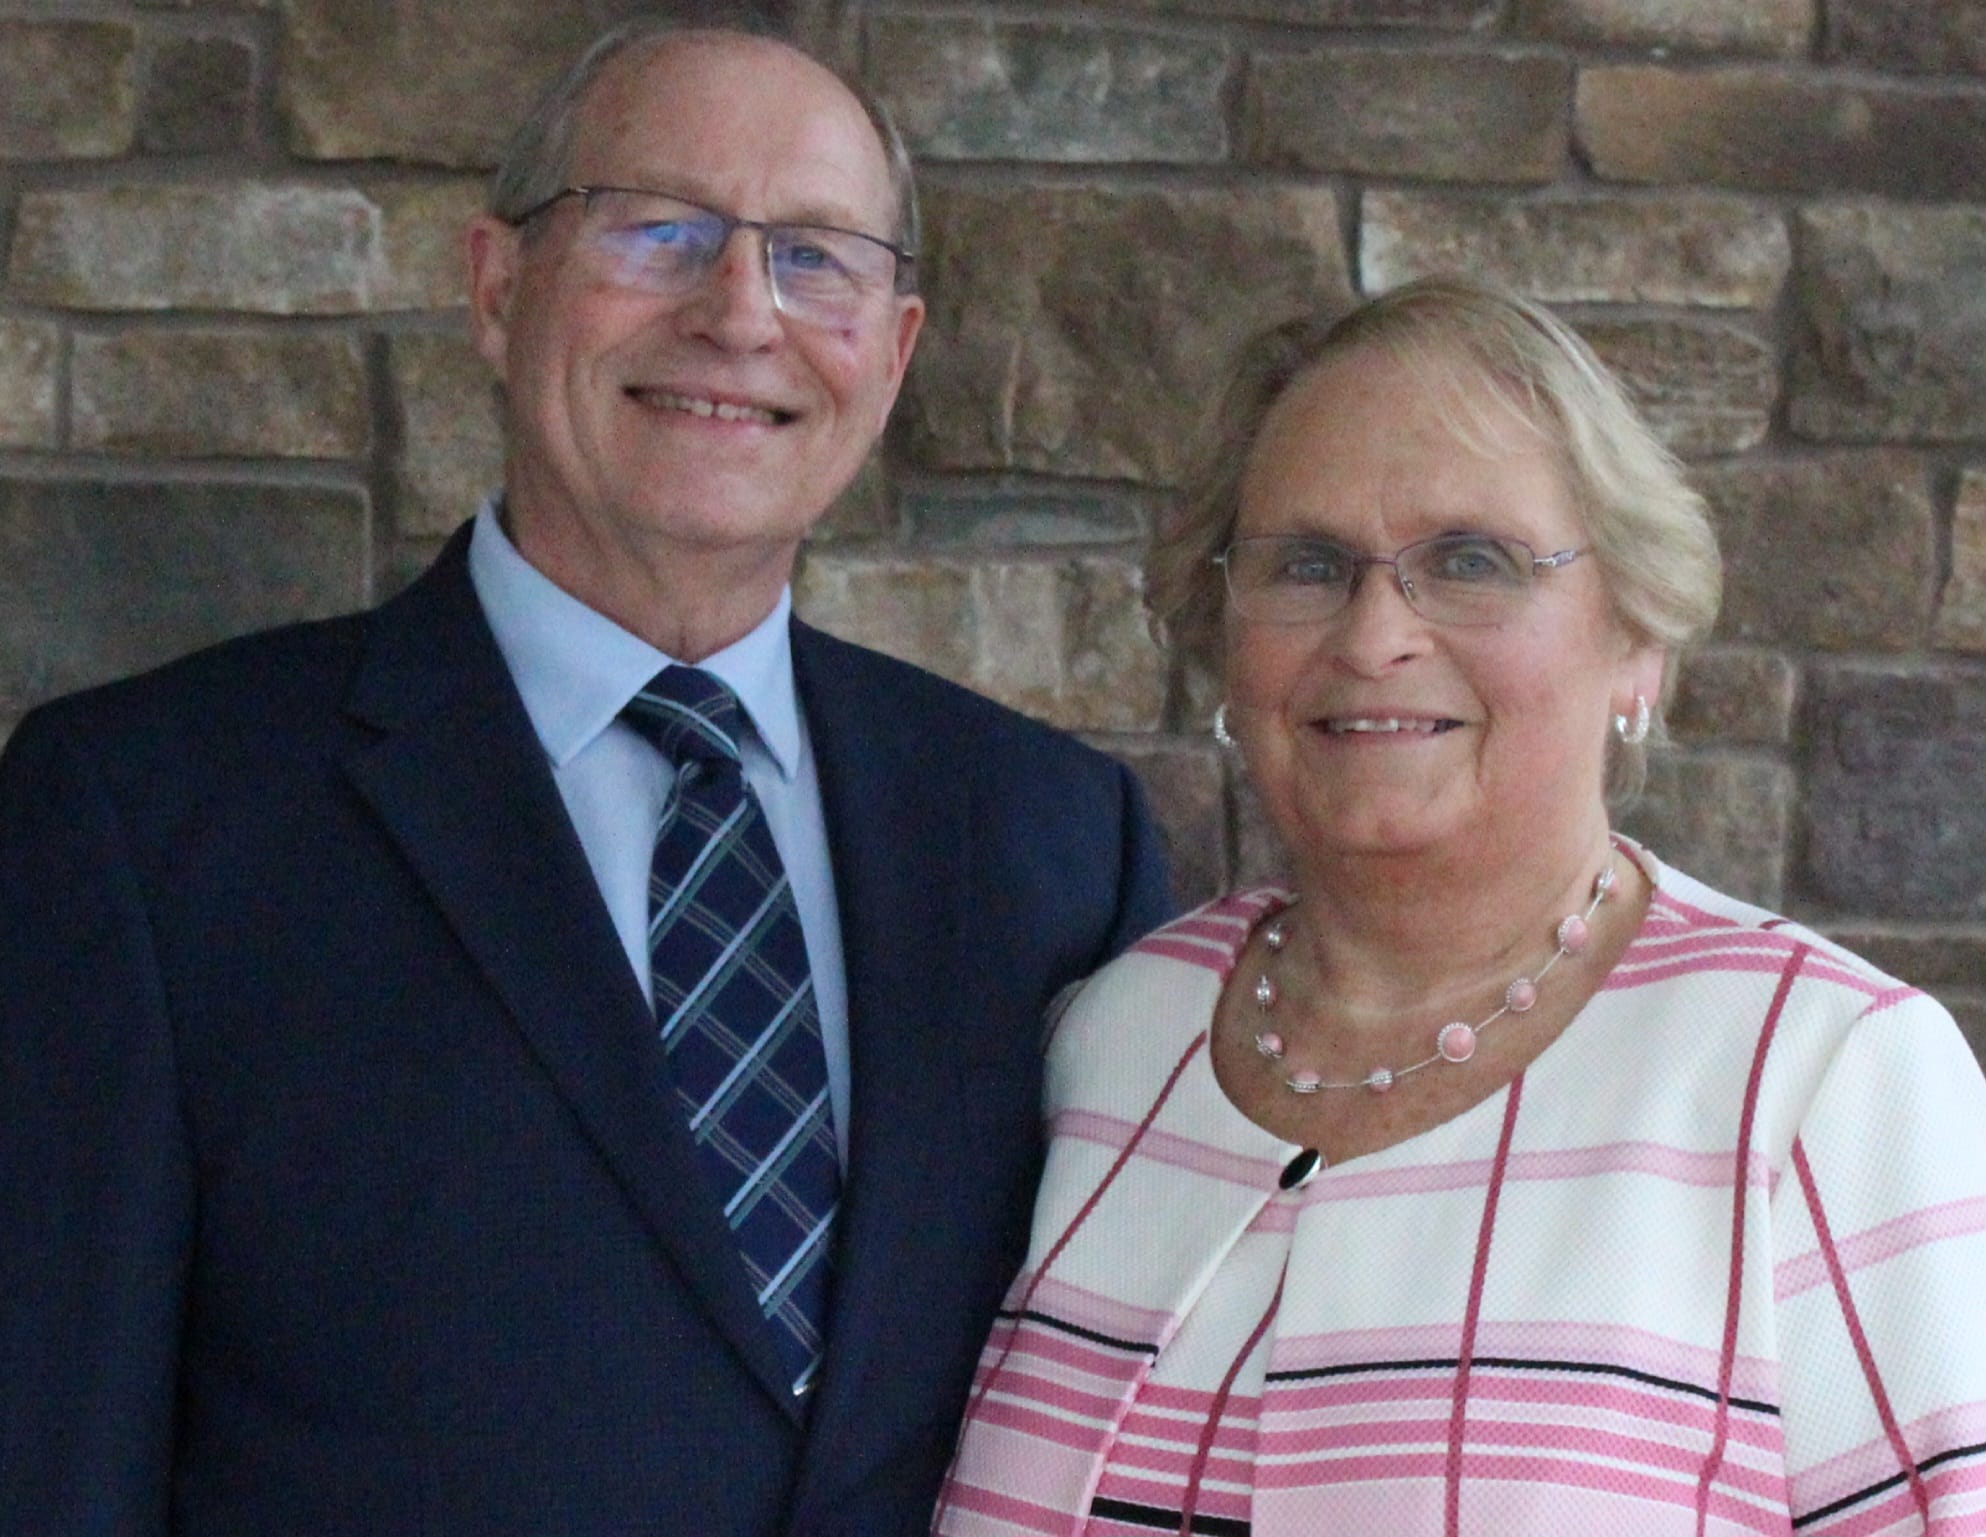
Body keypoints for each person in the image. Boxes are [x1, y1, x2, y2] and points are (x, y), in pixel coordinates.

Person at [0, 21, 1172, 1535]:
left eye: (815, 256)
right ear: (497, 288)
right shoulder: (138, 820)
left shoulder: (1051, 842)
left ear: (890, 354)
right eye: (659, 229)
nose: (739, 311)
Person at [932, 277, 1986, 1536]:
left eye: (1472, 562)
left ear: (1636, 636)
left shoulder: (1820, 1076)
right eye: (1309, 565)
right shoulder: (1114, 1033)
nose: (1376, 634)